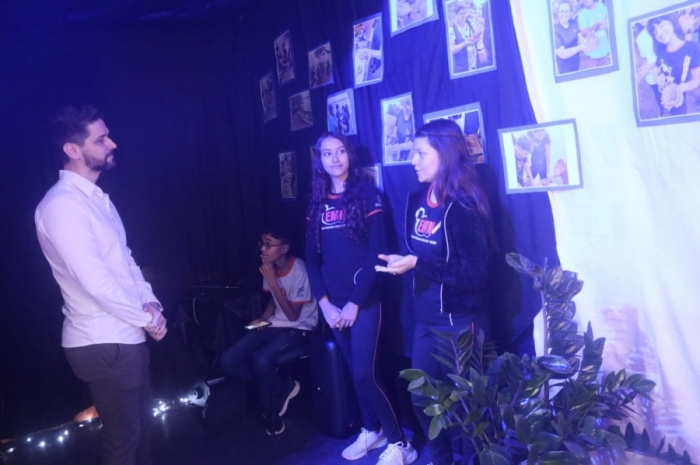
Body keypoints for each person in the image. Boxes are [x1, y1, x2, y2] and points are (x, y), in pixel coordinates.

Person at [35, 105, 167, 465]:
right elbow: (95, 281)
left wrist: (152, 304)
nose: (112, 143)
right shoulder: (62, 205)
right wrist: (146, 319)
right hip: (103, 340)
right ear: (72, 149)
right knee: (124, 441)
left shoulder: (97, 200)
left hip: (124, 334)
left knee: (141, 431)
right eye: (101, 139)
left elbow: (125, 260)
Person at [375, 119, 496, 465]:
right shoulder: (417, 197)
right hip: (426, 320)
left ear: (445, 154)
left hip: (461, 323)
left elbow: (475, 275)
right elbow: (424, 253)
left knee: (470, 409)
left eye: (420, 153)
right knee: (423, 399)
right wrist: (405, 260)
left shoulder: (463, 205)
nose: (412, 160)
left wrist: (417, 264)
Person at [306, 132, 417, 465]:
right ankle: (372, 429)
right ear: (320, 160)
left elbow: (377, 253)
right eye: (327, 153)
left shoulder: (369, 195)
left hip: (364, 300)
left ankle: (400, 443)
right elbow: (311, 258)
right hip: (333, 304)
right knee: (355, 370)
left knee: (364, 374)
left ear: (349, 156)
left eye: (340, 151)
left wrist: (355, 302)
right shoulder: (317, 202)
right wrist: (325, 304)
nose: (335, 158)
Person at [219, 227, 317, 435]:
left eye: (268, 245)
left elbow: (292, 316)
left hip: (299, 328)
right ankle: (282, 384)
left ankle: (270, 415)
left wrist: (272, 280)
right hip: (275, 324)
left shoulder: (299, 270)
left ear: (284, 248)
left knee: (262, 359)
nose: (263, 249)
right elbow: (274, 301)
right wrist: (263, 319)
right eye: (262, 244)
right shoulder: (270, 267)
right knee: (228, 360)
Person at [647, 15, 700, 116]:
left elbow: (696, 80)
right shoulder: (661, 53)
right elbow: (659, 71)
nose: (659, 33)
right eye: (655, 32)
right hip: (668, 95)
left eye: (661, 25)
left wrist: (679, 89)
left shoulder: (692, 48)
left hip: (680, 93)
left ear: (671, 21)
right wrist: (658, 78)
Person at [449, 2, 484, 74]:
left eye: (464, 13)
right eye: (461, 14)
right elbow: (451, 50)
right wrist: (464, 44)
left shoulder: (470, 22)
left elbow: (476, 35)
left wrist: (477, 37)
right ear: (455, 15)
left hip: (476, 65)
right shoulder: (452, 29)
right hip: (462, 69)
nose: (463, 16)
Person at [553, 0, 585, 74]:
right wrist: (580, 47)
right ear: (558, 13)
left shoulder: (573, 23)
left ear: (570, 12)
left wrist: (586, 42)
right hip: (564, 70)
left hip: (576, 64)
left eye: (567, 11)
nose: (564, 14)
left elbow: (580, 38)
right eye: (562, 11)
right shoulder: (555, 30)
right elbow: (562, 54)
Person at [577, 0, 611, 70]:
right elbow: (584, 32)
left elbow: (609, 19)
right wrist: (597, 26)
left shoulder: (601, 6)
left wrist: (606, 23)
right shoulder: (582, 14)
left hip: (605, 51)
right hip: (591, 55)